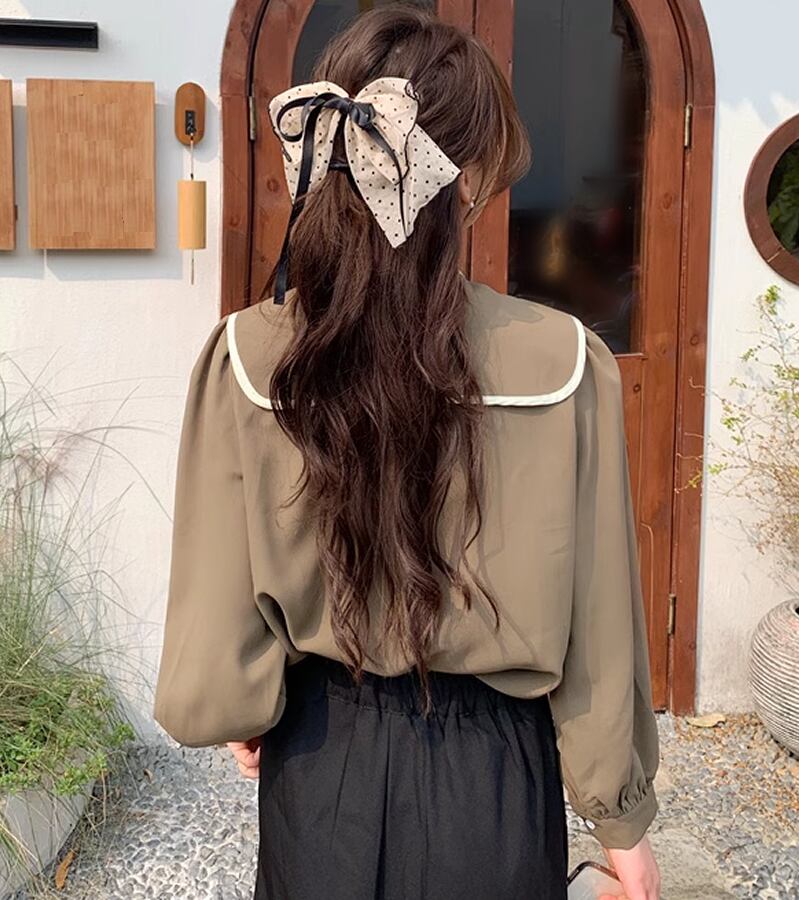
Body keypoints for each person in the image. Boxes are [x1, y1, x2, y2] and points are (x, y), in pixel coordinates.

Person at [153, 6, 660, 899]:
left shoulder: (247, 358)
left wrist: (244, 709)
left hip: (320, 768)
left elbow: (216, 622)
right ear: (462, 181)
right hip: (493, 781)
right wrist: (619, 822)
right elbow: (600, 625)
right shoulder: (564, 362)